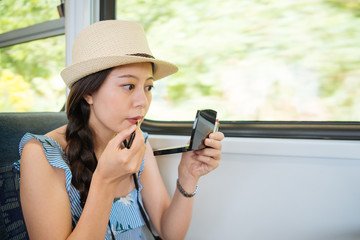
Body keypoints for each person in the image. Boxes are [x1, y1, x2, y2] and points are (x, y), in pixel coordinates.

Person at [18, 20, 224, 240]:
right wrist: (106, 180)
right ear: (88, 93)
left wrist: (188, 177)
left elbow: (170, 233)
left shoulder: (138, 143)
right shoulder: (42, 155)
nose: (142, 102)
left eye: (148, 87)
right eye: (128, 86)